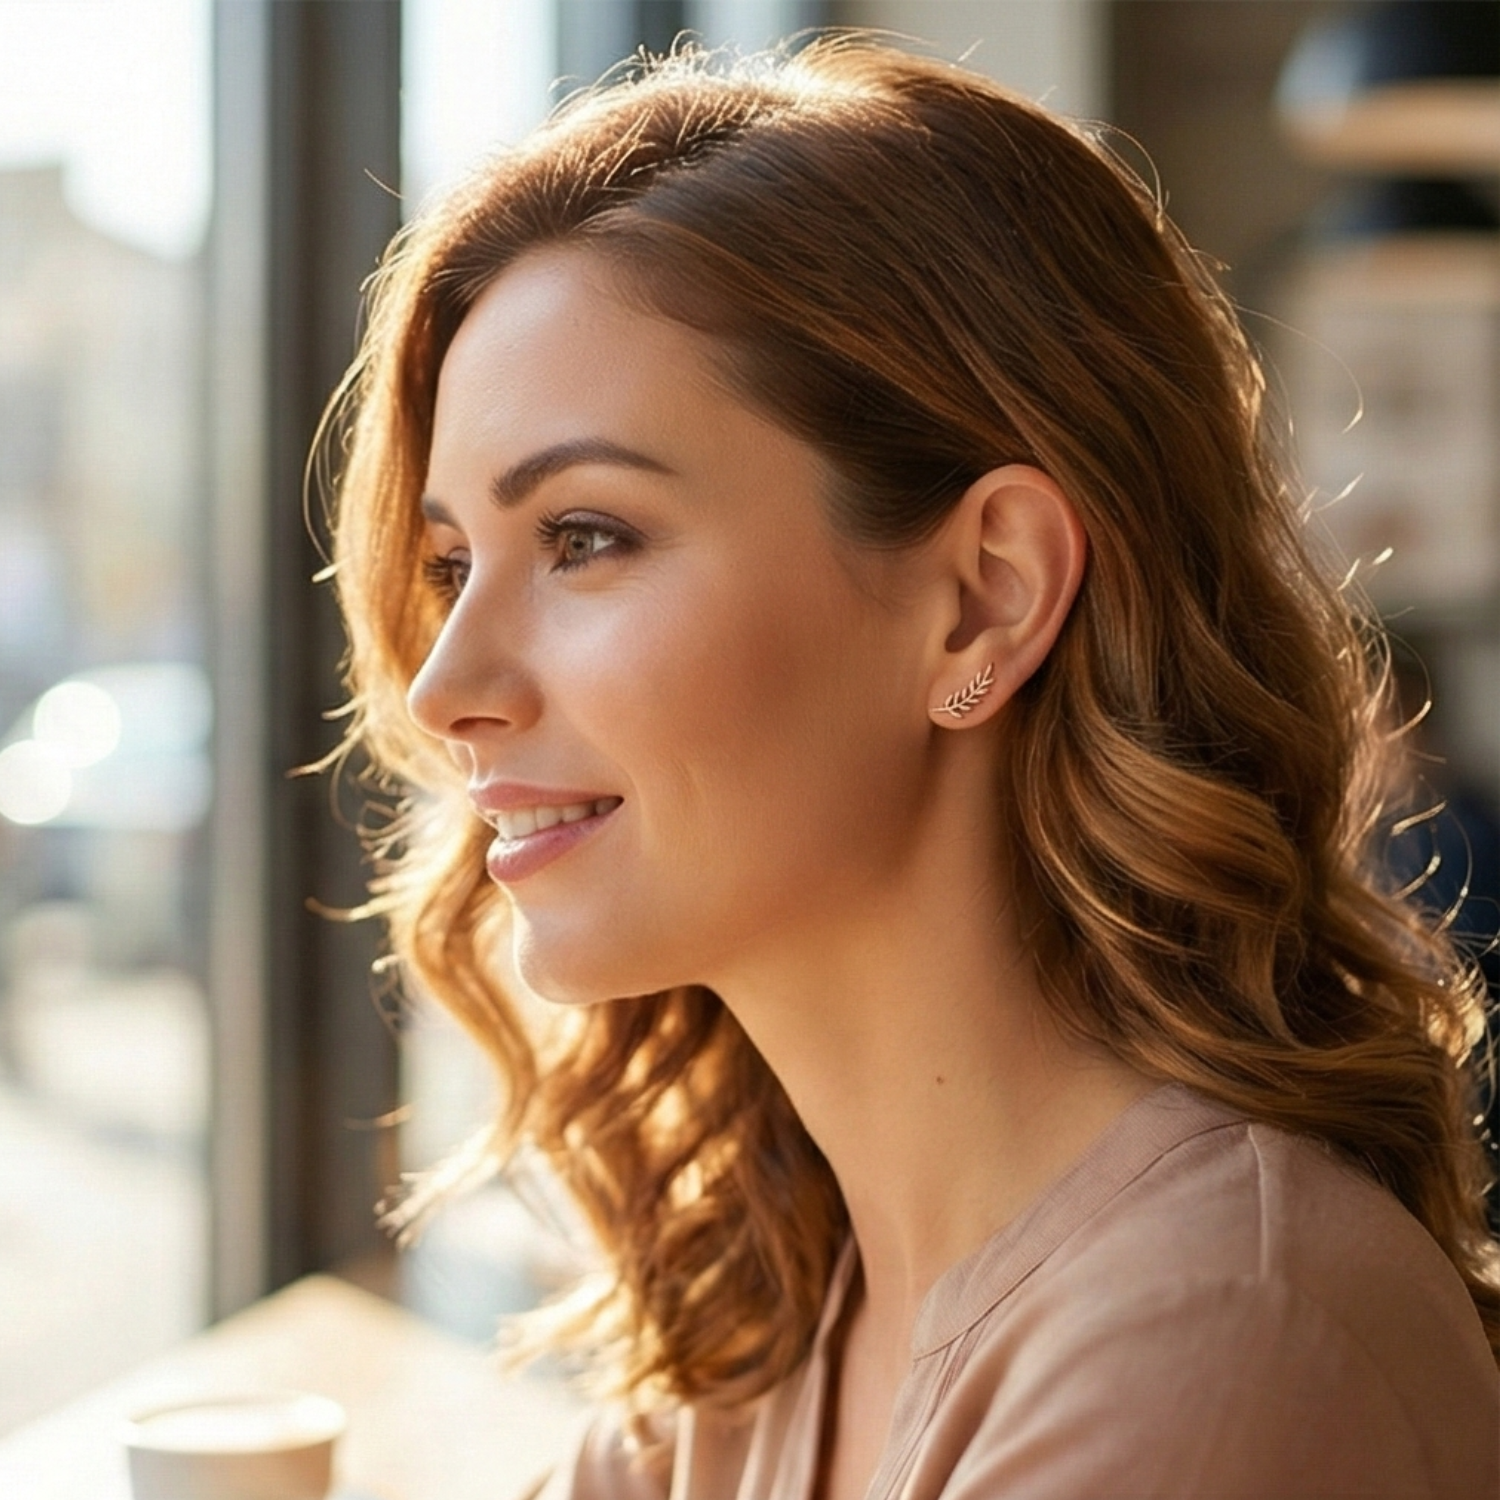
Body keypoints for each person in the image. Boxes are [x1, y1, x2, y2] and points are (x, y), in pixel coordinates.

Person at [325, 40, 1500, 1500]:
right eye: (452, 564)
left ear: (984, 597)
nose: (447, 691)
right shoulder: (772, 1336)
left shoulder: (1212, 1340)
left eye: (583, 537)